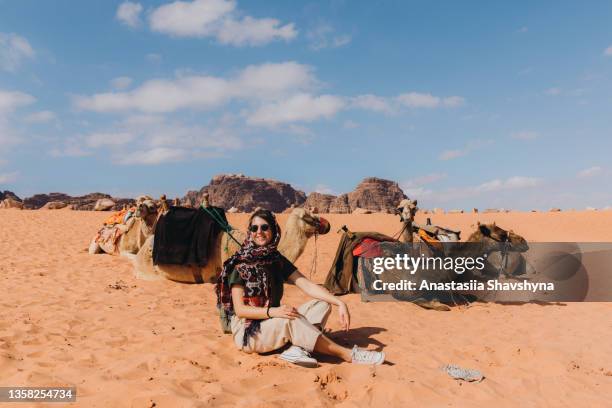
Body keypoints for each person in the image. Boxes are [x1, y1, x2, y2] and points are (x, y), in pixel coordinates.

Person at [216, 208, 385, 367]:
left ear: (273, 230)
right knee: (291, 318)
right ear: (250, 232)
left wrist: (339, 303)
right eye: (254, 228)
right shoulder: (240, 264)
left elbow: (306, 285)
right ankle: (348, 355)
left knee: (321, 304)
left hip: (273, 322)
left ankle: (297, 349)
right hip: (249, 331)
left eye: (264, 227)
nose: (259, 232)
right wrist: (273, 312)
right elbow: (240, 310)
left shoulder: (276, 259)